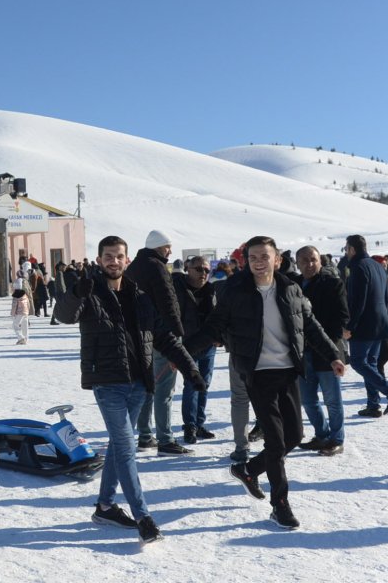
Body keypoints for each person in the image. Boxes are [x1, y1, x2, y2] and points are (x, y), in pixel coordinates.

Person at [207, 236, 345, 530]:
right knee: (275, 439)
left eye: (264, 256)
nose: (259, 262)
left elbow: (310, 325)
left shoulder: (290, 288)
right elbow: (214, 323)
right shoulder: (234, 289)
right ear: (246, 261)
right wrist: (186, 353)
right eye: (253, 257)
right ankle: (280, 505)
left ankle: (248, 470)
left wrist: (333, 355)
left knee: (294, 436)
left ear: (277, 260)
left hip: (288, 371)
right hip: (257, 373)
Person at [76, 235, 204, 544]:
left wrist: (191, 369)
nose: (114, 261)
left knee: (120, 447)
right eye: (108, 256)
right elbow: (65, 315)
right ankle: (143, 516)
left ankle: (105, 506)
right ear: (99, 259)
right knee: (126, 447)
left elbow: (164, 337)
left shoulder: (139, 296)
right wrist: (74, 294)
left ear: (127, 260)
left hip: (138, 385)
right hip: (108, 384)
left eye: (119, 256)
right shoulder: (90, 294)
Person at [129, 230, 190, 456]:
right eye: (167, 247)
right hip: (163, 337)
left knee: (147, 388)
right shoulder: (157, 267)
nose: (170, 251)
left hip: (140, 337)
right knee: (164, 390)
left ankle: (145, 436)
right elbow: (168, 303)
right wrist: (177, 335)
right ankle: (165, 439)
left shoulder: (133, 267)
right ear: (157, 247)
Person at [294, 246, 350, 456]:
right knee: (307, 399)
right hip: (302, 352)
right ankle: (322, 434)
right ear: (297, 263)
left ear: (320, 261)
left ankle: (336, 439)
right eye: (305, 260)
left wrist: (328, 344)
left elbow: (343, 316)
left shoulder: (333, 284)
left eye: (313, 260)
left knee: (332, 399)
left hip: (327, 352)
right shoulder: (294, 285)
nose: (309, 264)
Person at [343, 235, 388, 418]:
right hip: (380, 322)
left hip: (364, 324)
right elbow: (387, 297)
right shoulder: (377, 265)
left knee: (358, 362)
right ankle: (373, 405)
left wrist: (350, 326)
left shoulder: (357, 267)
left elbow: (357, 300)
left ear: (352, 249)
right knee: (370, 363)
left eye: (346, 249)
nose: (346, 252)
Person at [173, 255, 217, 445]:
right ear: (187, 269)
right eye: (199, 269)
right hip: (187, 346)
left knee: (204, 385)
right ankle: (189, 425)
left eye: (207, 270)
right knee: (191, 385)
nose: (203, 273)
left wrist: (219, 336)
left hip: (208, 345)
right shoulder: (178, 289)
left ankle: (199, 423)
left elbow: (220, 316)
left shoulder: (211, 290)